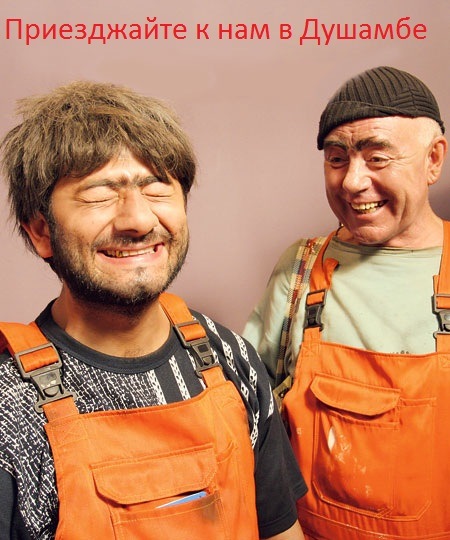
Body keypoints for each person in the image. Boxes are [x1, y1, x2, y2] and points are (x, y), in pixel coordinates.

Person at [0, 81, 307, 540]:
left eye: (158, 189)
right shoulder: (10, 409)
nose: (140, 220)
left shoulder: (230, 358)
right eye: (100, 194)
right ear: (41, 231)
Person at [244, 66, 449, 540]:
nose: (353, 181)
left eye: (377, 158)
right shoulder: (300, 271)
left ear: (433, 159)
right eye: (337, 159)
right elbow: (249, 419)